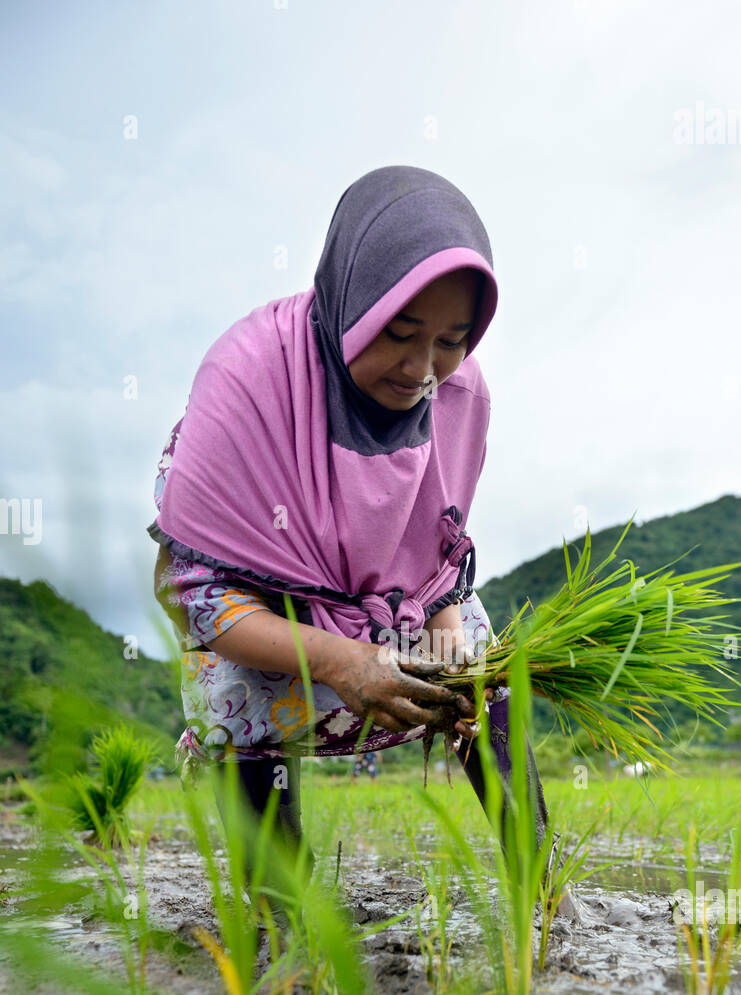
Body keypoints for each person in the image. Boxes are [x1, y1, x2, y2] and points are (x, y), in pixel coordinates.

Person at [149, 164, 575, 918]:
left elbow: (440, 561)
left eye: (451, 340)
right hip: (262, 607)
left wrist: (452, 658)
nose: (421, 371)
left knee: (485, 672)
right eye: (399, 334)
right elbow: (202, 599)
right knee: (238, 694)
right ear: (352, 300)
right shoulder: (249, 376)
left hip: (386, 605)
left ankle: (539, 890)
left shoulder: (459, 392)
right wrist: (344, 661)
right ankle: (281, 911)